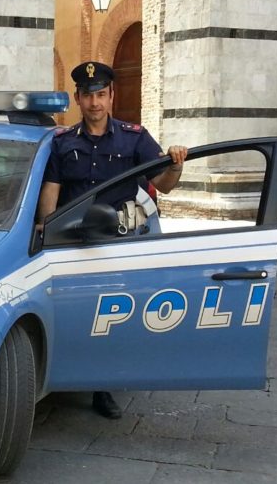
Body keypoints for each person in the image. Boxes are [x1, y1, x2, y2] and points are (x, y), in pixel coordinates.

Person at [37, 61, 188, 419]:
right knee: (78, 310)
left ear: (111, 96)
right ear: (77, 98)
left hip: (120, 240)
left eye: (101, 95)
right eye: (88, 96)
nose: (95, 103)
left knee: (113, 312)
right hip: (76, 239)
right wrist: (46, 228)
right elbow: (51, 192)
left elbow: (163, 186)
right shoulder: (62, 142)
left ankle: (103, 386)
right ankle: (68, 374)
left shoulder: (134, 137)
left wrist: (177, 164)